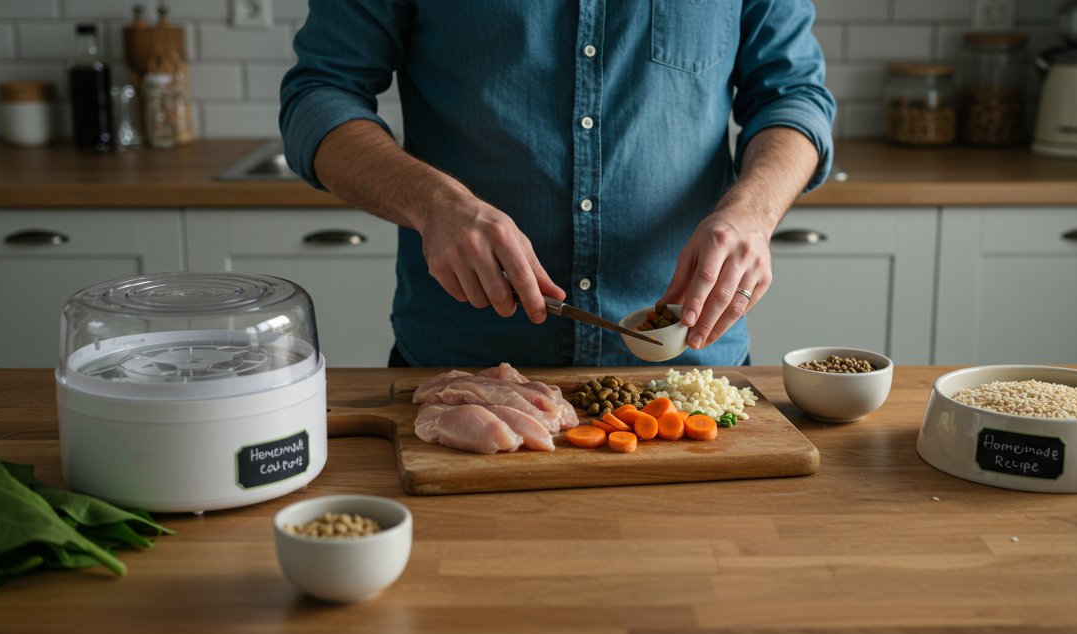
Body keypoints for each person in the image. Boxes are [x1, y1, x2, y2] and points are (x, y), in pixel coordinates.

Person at [280, 0, 835, 367]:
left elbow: (793, 96)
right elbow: (320, 95)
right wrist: (435, 204)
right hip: (467, 377)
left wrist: (752, 213)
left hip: (690, 375)